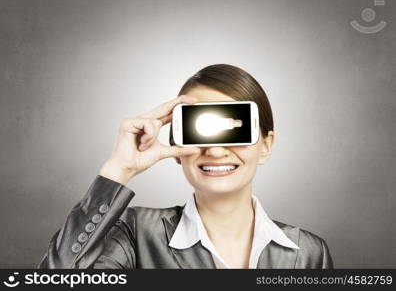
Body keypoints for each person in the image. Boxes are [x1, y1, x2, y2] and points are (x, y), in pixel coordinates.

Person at [37, 64, 334, 269]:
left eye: (233, 129)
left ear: (266, 145)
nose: (216, 150)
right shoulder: (134, 233)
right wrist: (119, 169)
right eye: (200, 131)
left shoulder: (308, 253)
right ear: (177, 148)